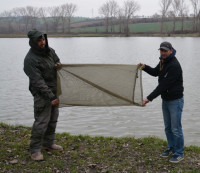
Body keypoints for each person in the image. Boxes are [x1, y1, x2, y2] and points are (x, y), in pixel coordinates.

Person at [139, 41, 184, 163]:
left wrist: (148, 98)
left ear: (171, 50)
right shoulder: (163, 61)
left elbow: (163, 86)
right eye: (161, 50)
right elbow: (155, 72)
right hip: (166, 100)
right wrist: (144, 67)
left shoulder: (174, 65)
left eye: (165, 50)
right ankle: (171, 147)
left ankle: (180, 152)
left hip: (175, 101)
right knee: (168, 128)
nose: (163, 53)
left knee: (176, 128)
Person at [24, 29, 63, 161]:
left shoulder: (49, 51)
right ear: (33, 42)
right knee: (41, 122)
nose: (42, 42)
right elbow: (37, 82)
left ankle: (48, 144)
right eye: (39, 40)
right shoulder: (29, 60)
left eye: (43, 39)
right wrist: (50, 97)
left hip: (54, 90)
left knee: (53, 119)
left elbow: (57, 60)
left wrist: (58, 64)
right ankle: (34, 150)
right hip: (42, 94)